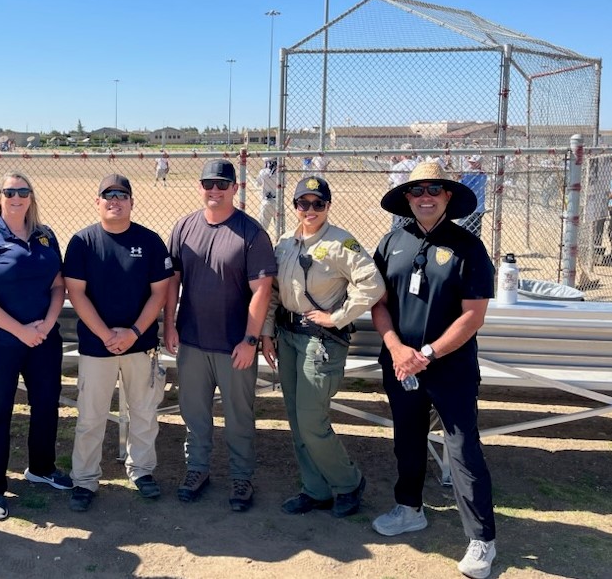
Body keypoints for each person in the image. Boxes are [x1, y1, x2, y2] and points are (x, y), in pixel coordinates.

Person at [371, 161, 497, 579]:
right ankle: (409, 508)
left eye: (433, 190)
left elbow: (473, 315)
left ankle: (481, 538)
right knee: (407, 439)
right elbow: (379, 303)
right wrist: (395, 347)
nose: (424, 196)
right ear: (406, 199)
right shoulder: (392, 242)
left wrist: (425, 353)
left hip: (450, 367)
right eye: (416, 191)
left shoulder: (468, 246)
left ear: (447, 197)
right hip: (401, 364)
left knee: (462, 449)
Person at [260, 176, 384, 518]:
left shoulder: (342, 243)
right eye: (304, 203)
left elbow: (372, 285)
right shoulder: (285, 242)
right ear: (295, 206)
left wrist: (339, 316)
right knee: (297, 421)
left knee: (313, 420)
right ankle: (314, 489)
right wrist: (267, 332)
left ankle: (348, 483)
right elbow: (273, 292)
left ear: (328, 206)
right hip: (287, 337)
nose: (310, 210)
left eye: (318, 203)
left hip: (319, 342)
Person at [164, 159, 277, 512]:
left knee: (238, 416)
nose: (214, 190)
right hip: (192, 341)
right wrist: (169, 324)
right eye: (208, 184)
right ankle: (197, 469)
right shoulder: (184, 226)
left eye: (222, 184)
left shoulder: (251, 232)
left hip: (234, 346)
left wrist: (250, 340)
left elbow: (262, 290)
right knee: (194, 413)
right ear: (200, 187)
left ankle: (241, 477)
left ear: (235, 188)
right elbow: (173, 281)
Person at [0, 172, 72, 521]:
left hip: (42, 337)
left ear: (31, 197)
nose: (16, 196)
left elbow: (58, 284)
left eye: (23, 191)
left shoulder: (45, 235)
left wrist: (49, 322)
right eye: (9, 191)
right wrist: (20, 330)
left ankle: (41, 467)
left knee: (45, 405)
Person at [63, 174, 173, 512]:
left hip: (140, 345)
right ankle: (84, 479)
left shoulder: (150, 241)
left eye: (122, 195)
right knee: (91, 416)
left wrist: (134, 332)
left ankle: (141, 471)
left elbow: (160, 293)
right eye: (108, 195)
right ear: (97, 202)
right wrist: (106, 334)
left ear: (131, 202)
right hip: (98, 347)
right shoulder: (83, 242)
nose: (115, 200)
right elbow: (76, 293)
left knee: (143, 412)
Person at [388, 144, 418, 230]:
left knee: (397, 223)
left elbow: (390, 181)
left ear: (402, 154)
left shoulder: (398, 166)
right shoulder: (417, 165)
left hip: (399, 196)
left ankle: (396, 238)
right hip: (414, 195)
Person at [457, 155, 487, 238]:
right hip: (478, 208)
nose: (470, 165)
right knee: (473, 233)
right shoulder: (482, 173)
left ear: (478, 164)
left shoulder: (474, 174)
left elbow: (462, 186)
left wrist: (459, 177)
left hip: (470, 208)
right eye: (470, 162)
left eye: (473, 163)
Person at [255, 157, 278, 234]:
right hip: (278, 201)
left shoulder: (263, 172)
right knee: (279, 228)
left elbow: (257, 184)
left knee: (262, 228)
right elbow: (284, 184)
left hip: (266, 202)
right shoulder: (280, 173)